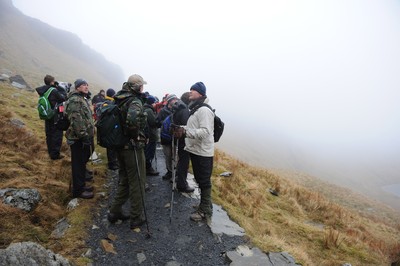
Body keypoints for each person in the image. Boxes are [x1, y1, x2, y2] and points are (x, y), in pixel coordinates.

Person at [107, 74, 148, 229]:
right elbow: (131, 121)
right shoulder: (134, 101)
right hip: (131, 147)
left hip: (119, 145)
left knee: (125, 179)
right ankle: (136, 216)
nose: (143, 88)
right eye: (141, 85)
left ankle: (115, 211)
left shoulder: (120, 98)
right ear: (136, 87)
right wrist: (135, 135)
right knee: (137, 181)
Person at [174, 82, 214, 221]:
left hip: (203, 152)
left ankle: (205, 211)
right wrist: (180, 127)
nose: (190, 92)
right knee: (200, 179)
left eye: (194, 90)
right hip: (196, 150)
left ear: (201, 94)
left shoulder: (204, 110)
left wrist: (185, 132)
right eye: (190, 89)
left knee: (204, 181)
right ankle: (205, 205)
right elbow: (193, 127)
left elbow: (205, 131)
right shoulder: (196, 108)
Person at [65, 79, 95, 199]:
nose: (86, 86)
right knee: (77, 164)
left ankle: (82, 185)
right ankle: (78, 191)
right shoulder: (75, 100)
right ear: (77, 87)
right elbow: (76, 120)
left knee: (82, 163)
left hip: (83, 137)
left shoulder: (82, 98)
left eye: (87, 84)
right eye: (83, 85)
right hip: (78, 138)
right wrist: (84, 136)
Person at [35, 74, 66, 160]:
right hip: (55, 115)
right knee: (57, 135)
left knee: (49, 134)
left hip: (47, 115)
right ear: (52, 81)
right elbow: (63, 98)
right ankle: (55, 155)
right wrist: (60, 88)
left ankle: (50, 152)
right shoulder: (54, 90)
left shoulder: (43, 90)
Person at [172, 92, 194, 193]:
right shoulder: (185, 110)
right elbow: (186, 126)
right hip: (183, 139)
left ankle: (178, 178)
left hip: (177, 137)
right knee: (184, 161)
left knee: (181, 160)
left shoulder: (178, 107)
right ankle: (182, 184)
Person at [157, 94, 178, 180]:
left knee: (175, 155)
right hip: (166, 136)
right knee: (168, 155)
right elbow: (157, 122)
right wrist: (165, 123)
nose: (175, 100)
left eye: (176, 99)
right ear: (169, 101)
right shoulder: (163, 111)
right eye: (173, 99)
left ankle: (175, 172)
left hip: (175, 136)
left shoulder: (177, 110)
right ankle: (169, 172)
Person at [143, 95, 159, 176]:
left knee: (147, 151)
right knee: (149, 152)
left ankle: (147, 167)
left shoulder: (144, 108)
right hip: (151, 134)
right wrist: (158, 120)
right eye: (155, 103)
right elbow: (153, 123)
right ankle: (148, 168)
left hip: (147, 134)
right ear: (152, 103)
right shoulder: (149, 110)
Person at [105, 88, 119, 171]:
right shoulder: (109, 103)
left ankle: (113, 162)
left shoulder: (106, 102)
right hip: (110, 127)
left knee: (111, 146)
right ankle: (112, 163)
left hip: (108, 127)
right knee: (111, 146)